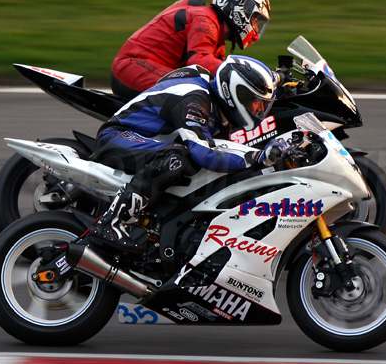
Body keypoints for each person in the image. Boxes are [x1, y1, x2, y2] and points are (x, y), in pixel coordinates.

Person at [90, 55, 289, 250]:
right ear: (237, 93)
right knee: (177, 159)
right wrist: (257, 158)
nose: (259, 109)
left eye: (263, 105)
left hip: (151, 142)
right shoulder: (195, 99)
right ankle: (112, 222)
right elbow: (203, 153)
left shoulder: (217, 103)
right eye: (256, 102)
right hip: (118, 136)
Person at [110, 0, 271, 99]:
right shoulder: (205, 19)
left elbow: (217, 76)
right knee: (191, 92)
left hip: (144, 67)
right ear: (240, 9)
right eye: (255, 20)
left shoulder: (218, 40)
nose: (255, 27)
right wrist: (246, 72)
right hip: (132, 66)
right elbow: (198, 61)